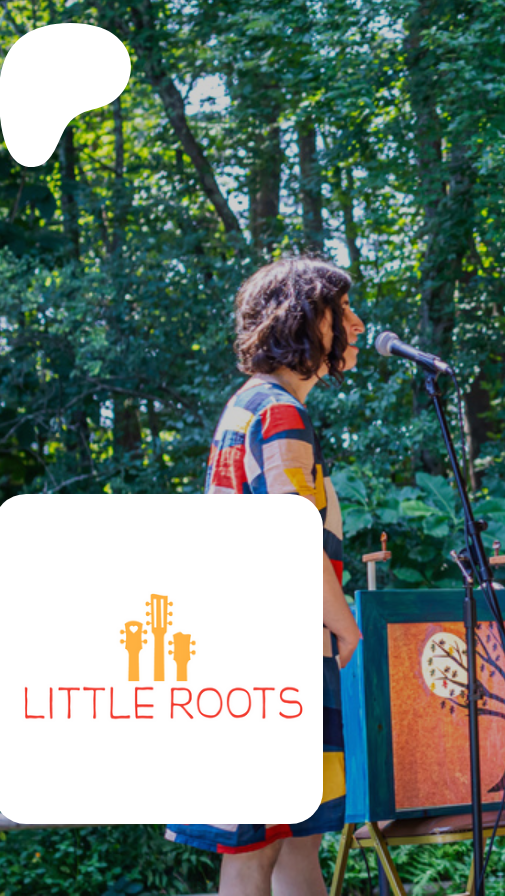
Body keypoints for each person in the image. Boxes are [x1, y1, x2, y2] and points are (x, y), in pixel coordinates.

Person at [166, 256, 366, 896]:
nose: (357, 325)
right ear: (307, 320)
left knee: (294, 841)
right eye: (343, 310)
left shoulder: (250, 405)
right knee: (254, 847)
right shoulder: (278, 413)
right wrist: (344, 625)